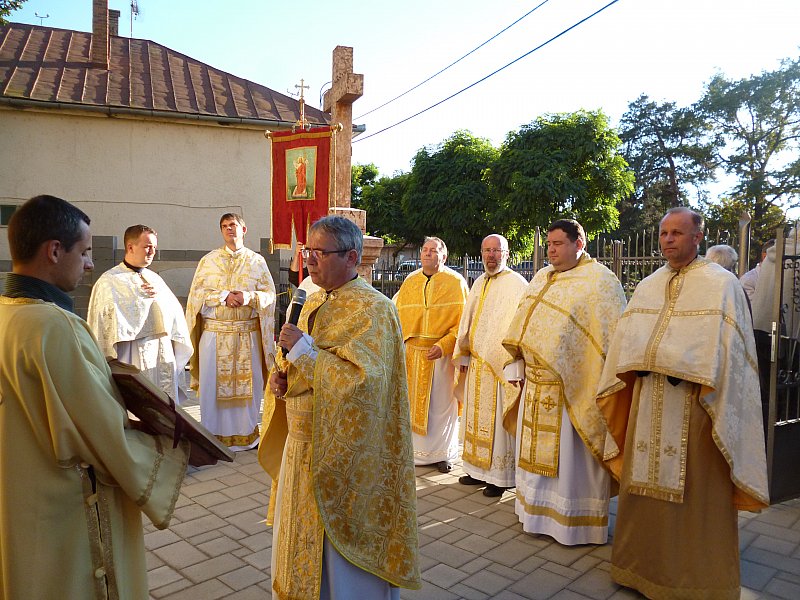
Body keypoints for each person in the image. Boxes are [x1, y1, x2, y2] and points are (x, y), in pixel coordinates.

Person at [0, 195, 189, 599]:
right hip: (62, 509)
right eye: (84, 252)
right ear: (54, 251)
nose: (89, 264)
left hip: (17, 497)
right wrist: (172, 446)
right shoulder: (56, 327)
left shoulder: (6, 315)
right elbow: (104, 434)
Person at [596, 207, 769, 598]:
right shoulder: (648, 285)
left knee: (696, 491)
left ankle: (694, 578)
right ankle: (637, 568)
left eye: (677, 233)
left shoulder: (722, 284)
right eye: (663, 233)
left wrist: (685, 364)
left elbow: (733, 356)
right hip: (647, 397)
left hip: (698, 407)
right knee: (641, 484)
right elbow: (629, 339)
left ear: (697, 237)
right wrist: (636, 365)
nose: (668, 240)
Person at [258, 215, 420, 599]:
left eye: (319, 252)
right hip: (301, 445)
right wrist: (280, 380)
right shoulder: (310, 298)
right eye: (307, 251)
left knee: (340, 560)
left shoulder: (374, 310)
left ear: (351, 257)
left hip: (345, 456)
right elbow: (293, 362)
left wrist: (302, 351)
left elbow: (365, 384)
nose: (309, 260)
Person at [502, 219, 626, 544]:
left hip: (574, 389)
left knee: (571, 463)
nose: (551, 250)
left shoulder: (600, 282)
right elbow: (522, 325)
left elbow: (608, 340)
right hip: (535, 384)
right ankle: (535, 514)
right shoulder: (542, 276)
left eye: (558, 244)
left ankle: (574, 524)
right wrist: (517, 364)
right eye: (550, 244)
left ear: (579, 244)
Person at [185, 213, 276, 450]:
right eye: (224, 226)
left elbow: (270, 296)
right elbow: (196, 297)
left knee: (250, 387)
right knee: (212, 386)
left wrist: (248, 297)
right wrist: (222, 296)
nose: (229, 230)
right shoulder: (208, 261)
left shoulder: (257, 262)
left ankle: (246, 435)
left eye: (233, 225)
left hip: (247, 336)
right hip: (215, 334)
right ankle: (212, 437)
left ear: (244, 229)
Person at [453, 234, 527, 497]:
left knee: (497, 421)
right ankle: (475, 470)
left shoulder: (517, 284)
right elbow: (468, 323)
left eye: (497, 250)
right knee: (474, 418)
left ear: (507, 254)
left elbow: (518, 330)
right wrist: (462, 356)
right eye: (487, 250)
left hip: (500, 366)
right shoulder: (478, 282)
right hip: (476, 364)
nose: (491, 255)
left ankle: (500, 476)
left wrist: (515, 368)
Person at [87, 224, 192, 403]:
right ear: (130, 247)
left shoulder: (156, 279)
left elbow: (176, 314)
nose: (152, 252)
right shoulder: (108, 281)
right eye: (147, 246)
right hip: (130, 355)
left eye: (154, 247)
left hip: (161, 354)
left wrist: (161, 299)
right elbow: (103, 323)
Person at [394, 236, 469, 472]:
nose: (427, 254)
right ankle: (413, 452)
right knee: (410, 404)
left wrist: (446, 344)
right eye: (425, 250)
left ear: (443, 256)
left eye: (433, 251)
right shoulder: (410, 281)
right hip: (412, 354)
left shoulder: (455, 282)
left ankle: (442, 454)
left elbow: (464, 322)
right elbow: (397, 317)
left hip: (441, 355)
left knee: (440, 405)